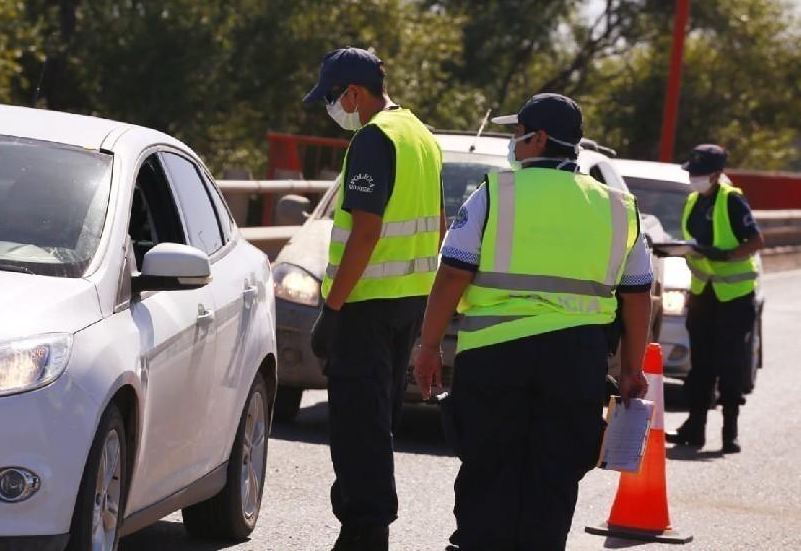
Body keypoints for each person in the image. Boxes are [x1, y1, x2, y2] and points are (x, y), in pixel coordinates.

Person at [414, 93, 653, 551]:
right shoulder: (619, 207)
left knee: (488, 467)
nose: (513, 142)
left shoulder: (494, 194)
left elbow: (453, 273)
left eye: (517, 132)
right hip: (577, 361)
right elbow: (638, 296)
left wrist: (428, 346)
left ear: (538, 138)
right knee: (556, 474)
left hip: (495, 356)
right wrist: (631, 369)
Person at [303, 47, 445, 551]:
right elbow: (439, 225)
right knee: (378, 420)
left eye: (332, 98)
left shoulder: (373, 138)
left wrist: (332, 309)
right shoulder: (420, 134)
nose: (332, 108)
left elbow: (365, 231)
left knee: (357, 424)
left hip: (366, 305)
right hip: (408, 301)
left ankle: (366, 530)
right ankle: (365, 526)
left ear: (354, 93)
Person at [667, 144, 764, 454]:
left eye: (699, 174)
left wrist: (726, 255)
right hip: (703, 295)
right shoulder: (692, 201)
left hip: (734, 297)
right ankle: (694, 428)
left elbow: (755, 241)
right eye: (692, 173)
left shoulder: (732, 200)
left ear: (717, 174)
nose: (693, 178)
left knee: (730, 363)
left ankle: (729, 432)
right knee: (700, 365)